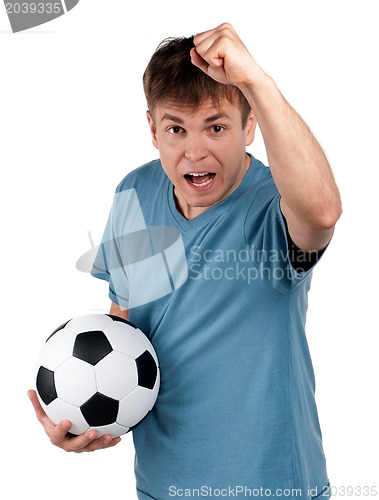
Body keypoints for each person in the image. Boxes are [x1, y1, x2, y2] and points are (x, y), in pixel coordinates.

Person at [28, 23, 342, 499]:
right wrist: (87, 416)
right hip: (163, 486)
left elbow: (322, 211)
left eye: (216, 126)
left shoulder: (275, 206)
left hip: (273, 487)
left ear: (249, 124)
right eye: (176, 128)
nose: (195, 151)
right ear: (153, 130)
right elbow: (125, 331)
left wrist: (256, 80)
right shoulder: (136, 192)